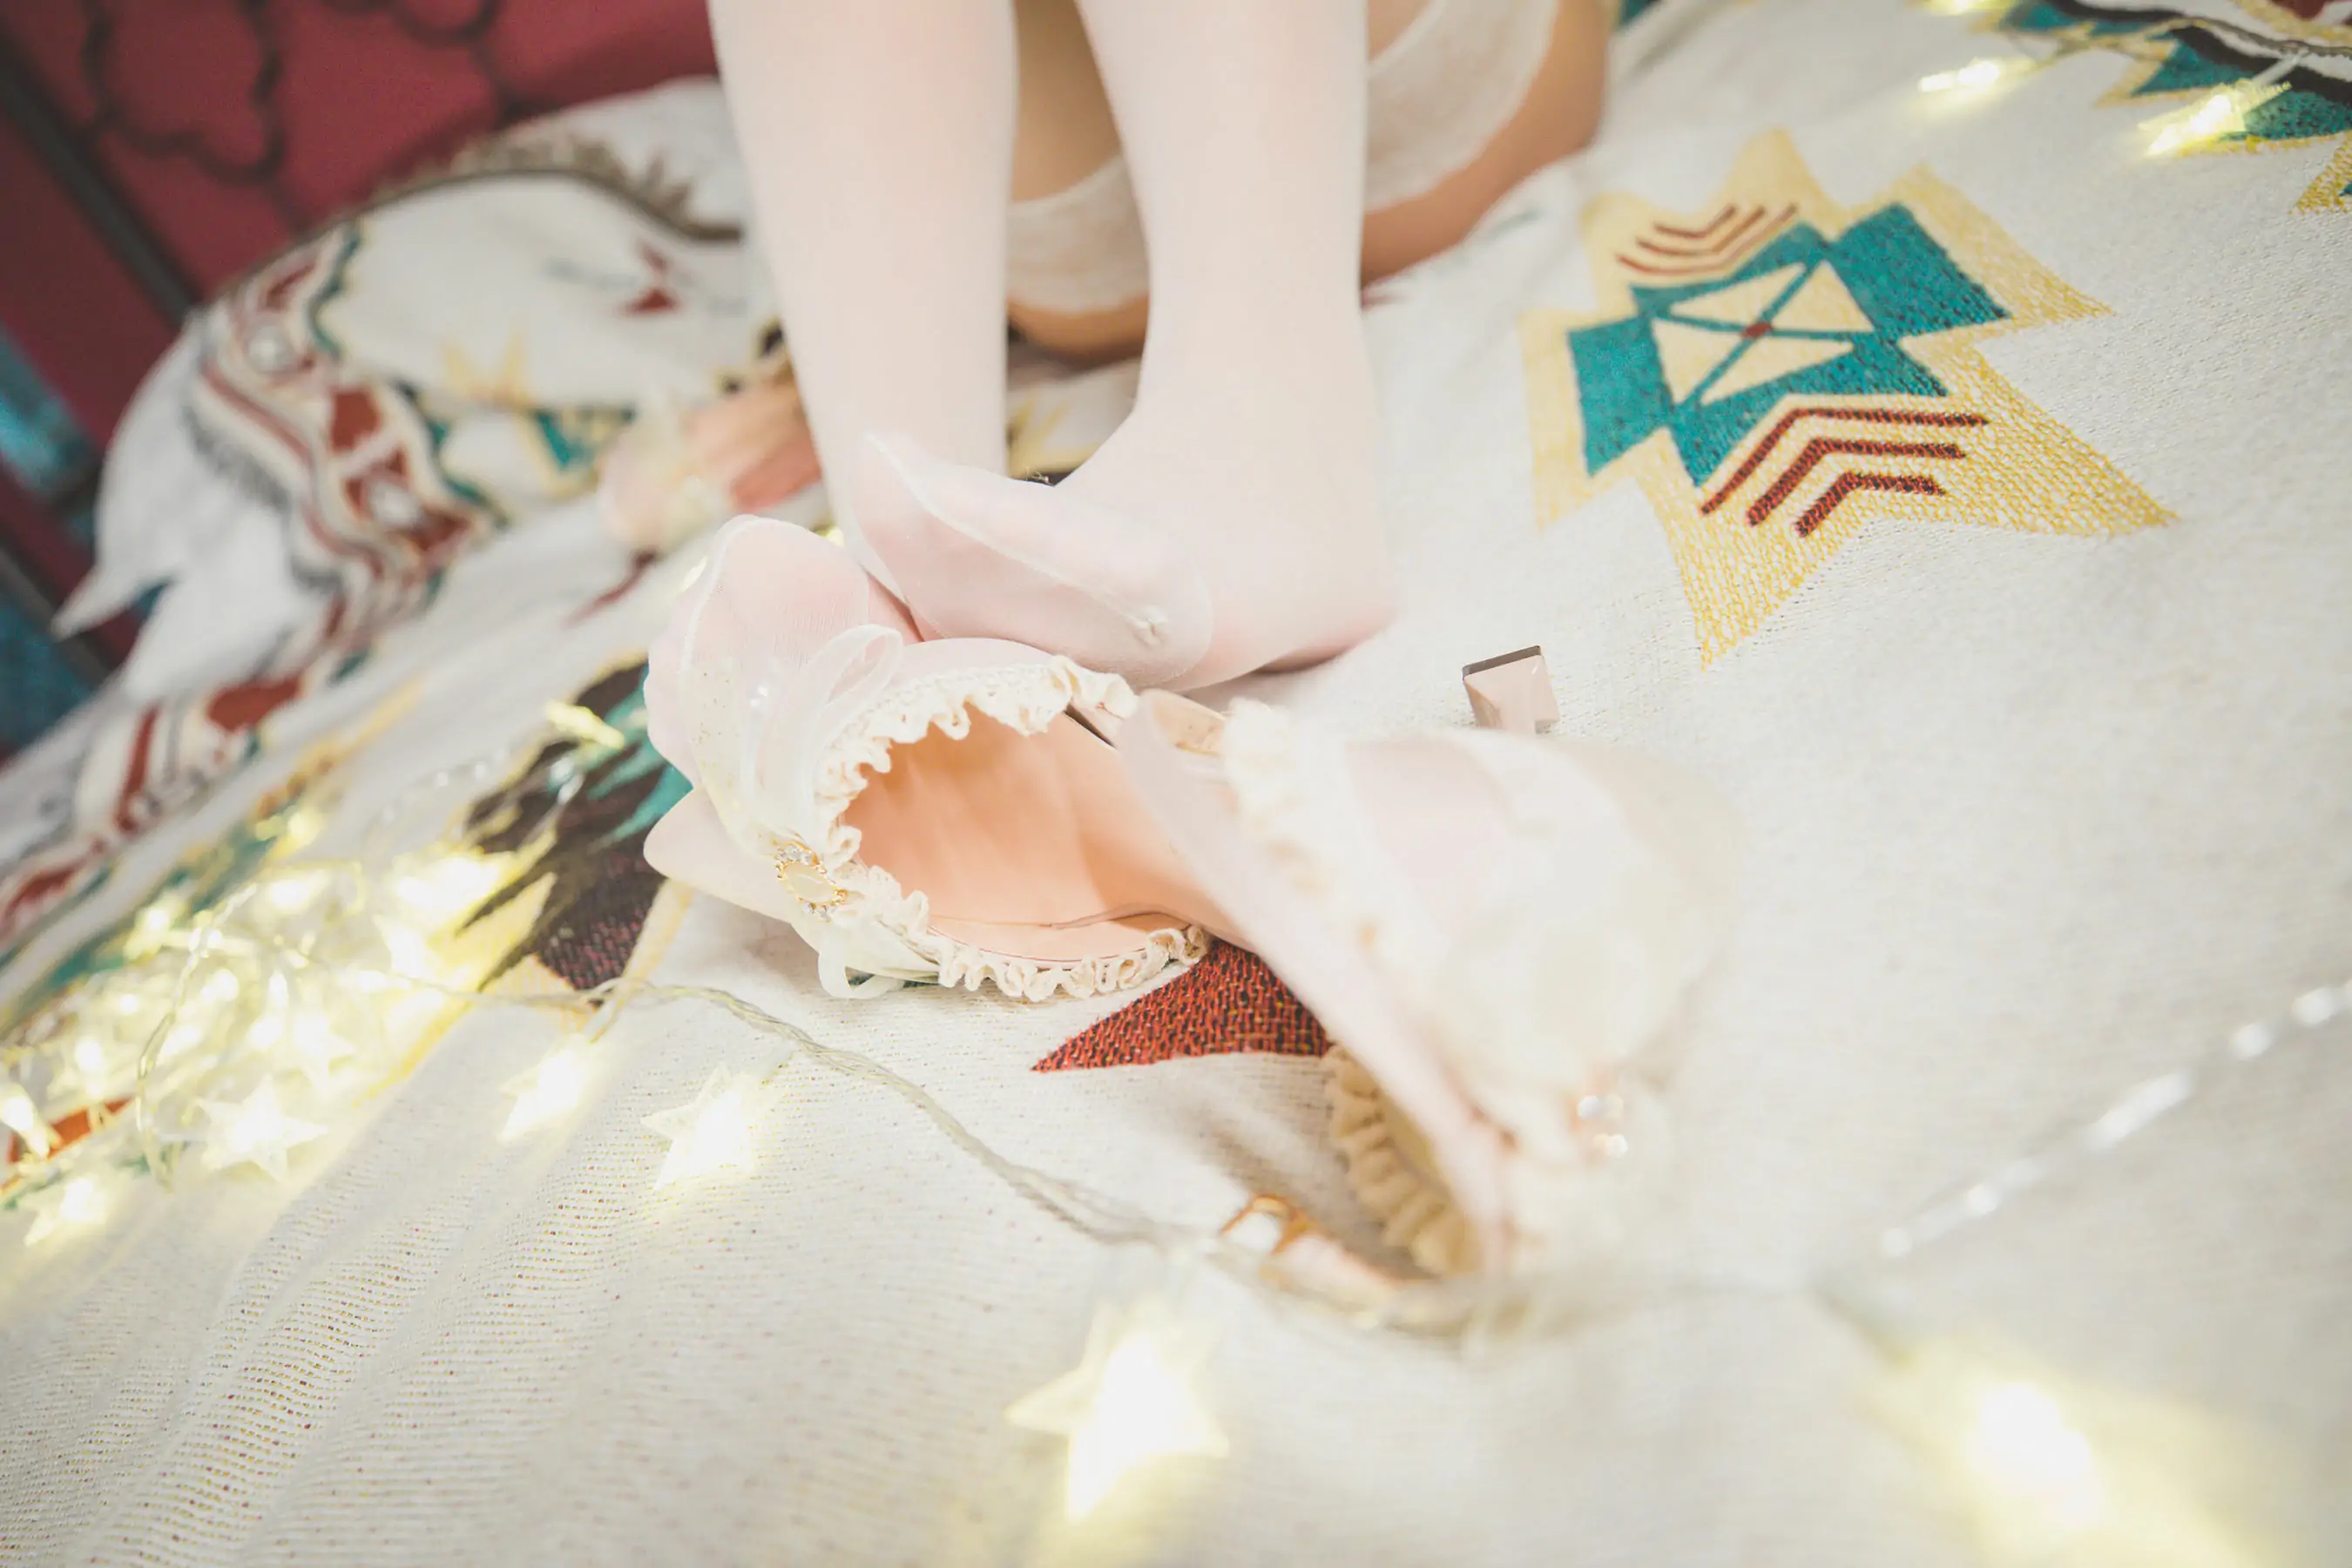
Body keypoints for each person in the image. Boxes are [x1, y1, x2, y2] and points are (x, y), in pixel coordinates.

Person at [636, 0, 1607, 688]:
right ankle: (917, 583)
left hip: (1072, 229)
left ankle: (901, 564)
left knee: (893, 497)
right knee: (903, 542)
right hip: (1376, 91)